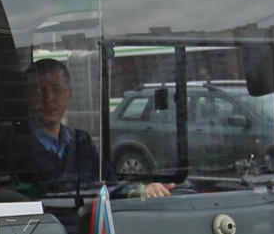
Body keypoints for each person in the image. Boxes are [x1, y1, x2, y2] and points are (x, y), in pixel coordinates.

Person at [12, 59, 170, 198]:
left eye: (56, 89)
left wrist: (139, 190)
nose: (48, 98)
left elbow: (110, 184)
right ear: (26, 96)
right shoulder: (14, 145)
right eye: (39, 91)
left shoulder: (81, 141)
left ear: (69, 94)